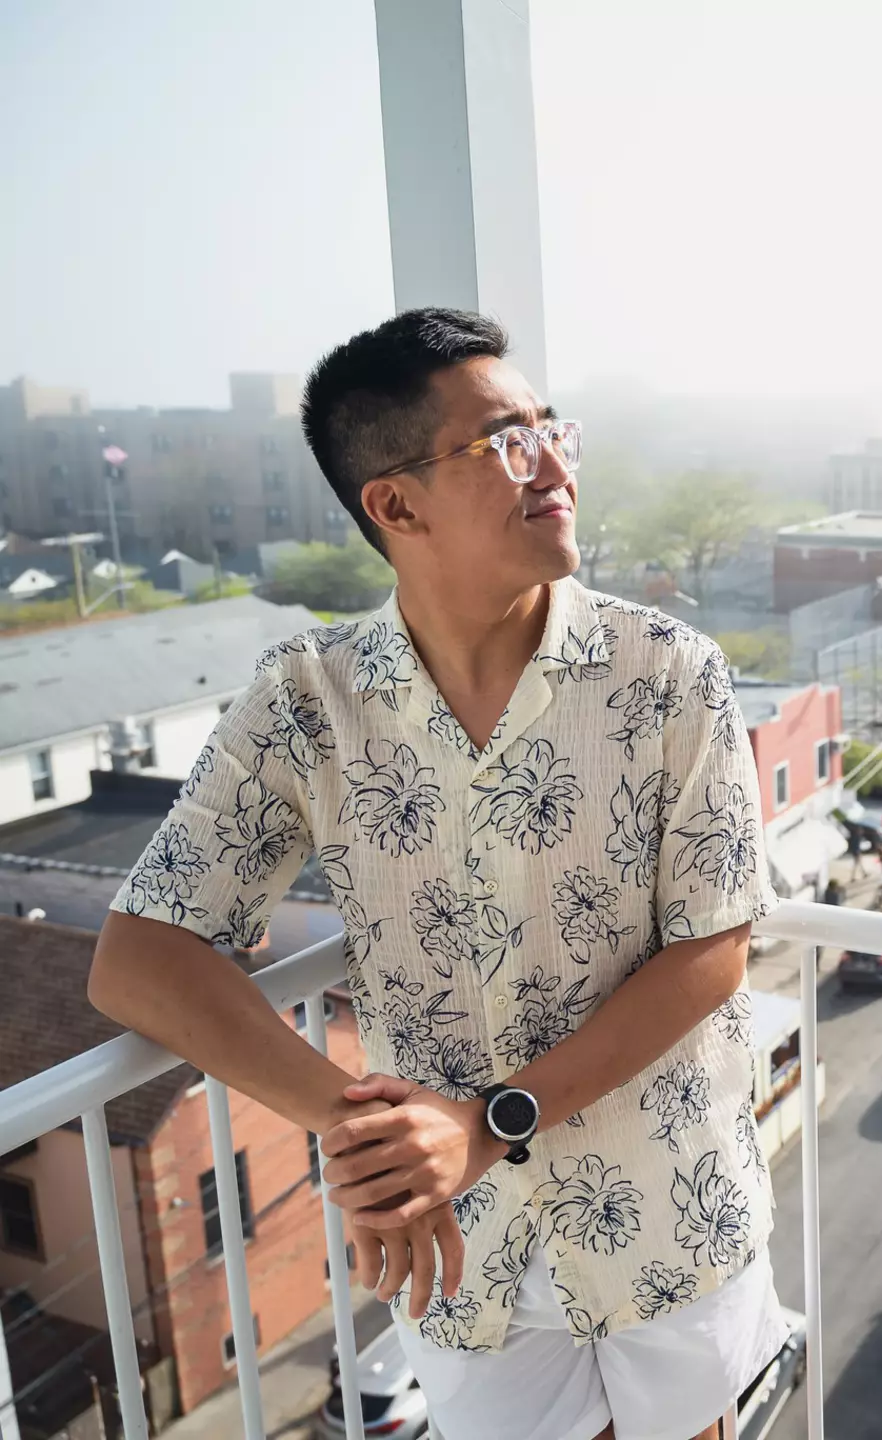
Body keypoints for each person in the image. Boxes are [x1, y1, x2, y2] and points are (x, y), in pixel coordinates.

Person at [88, 309, 781, 1440]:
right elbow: (140, 958)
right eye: (505, 442)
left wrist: (484, 1124)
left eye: (553, 429)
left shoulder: (669, 674)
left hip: (667, 1205)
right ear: (395, 504)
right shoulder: (309, 700)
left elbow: (714, 951)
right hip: (459, 1250)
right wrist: (357, 1130)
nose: (554, 465)